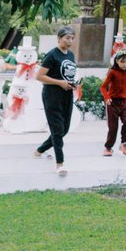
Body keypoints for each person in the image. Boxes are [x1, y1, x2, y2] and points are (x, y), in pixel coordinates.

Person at [31, 27, 80, 173]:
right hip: (52, 95)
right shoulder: (52, 55)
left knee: (64, 129)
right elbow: (39, 76)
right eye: (67, 38)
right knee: (57, 130)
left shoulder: (70, 55)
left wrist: (73, 84)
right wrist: (59, 83)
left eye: (72, 38)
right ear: (59, 38)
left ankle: (40, 150)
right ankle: (60, 164)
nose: (70, 41)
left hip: (67, 94)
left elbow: (67, 75)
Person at [100, 51, 126, 157]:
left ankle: (124, 143)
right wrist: (107, 98)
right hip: (112, 102)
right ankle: (108, 147)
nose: (125, 64)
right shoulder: (112, 72)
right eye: (122, 61)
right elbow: (103, 87)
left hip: (123, 102)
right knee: (113, 127)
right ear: (117, 61)